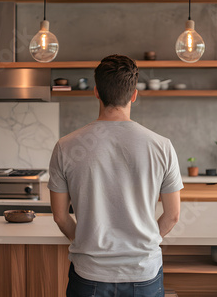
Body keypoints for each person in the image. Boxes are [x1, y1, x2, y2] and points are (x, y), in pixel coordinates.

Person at [48, 54, 183, 297]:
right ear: (134, 95)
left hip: (89, 274)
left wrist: (86, 242)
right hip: (143, 272)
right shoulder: (162, 146)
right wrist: (144, 244)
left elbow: (59, 216)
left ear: (96, 92)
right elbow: (172, 216)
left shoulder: (65, 146)